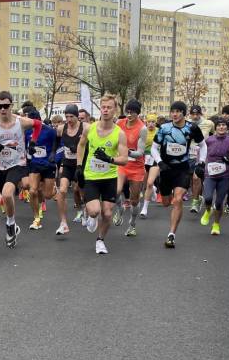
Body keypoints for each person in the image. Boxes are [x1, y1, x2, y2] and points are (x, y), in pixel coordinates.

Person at [0, 90, 42, 248]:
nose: (2, 109)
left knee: (7, 194)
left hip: (18, 163)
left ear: (11, 105)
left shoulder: (21, 122)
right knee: (5, 199)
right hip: (0, 167)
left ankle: (10, 224)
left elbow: (38, 124)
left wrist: (33, 142)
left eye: (5, 106)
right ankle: (12, 224)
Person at [78, 94, 129, 254]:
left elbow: (124, 159)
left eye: (109, 107)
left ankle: (100, 240)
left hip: (109, 177)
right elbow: (81, 145)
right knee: (95, 211)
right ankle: (91, 215)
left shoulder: (119, 133)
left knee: (107, 214)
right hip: (92, 176)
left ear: (115, 110)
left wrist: (109, 159)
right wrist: (79, 166)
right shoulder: (90, 128)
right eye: (103, 107)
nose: (105, 110)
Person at [152, 101, 204, 248]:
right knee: (166, 202)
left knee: (178, 199)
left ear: (184, 113)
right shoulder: (164, 128)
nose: (174, 114)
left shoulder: (192, 128)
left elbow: (203, 145)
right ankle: (163, 192)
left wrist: (201, 162)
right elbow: (154, 148)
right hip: (166, 169)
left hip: (182, 169)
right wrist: (160, 162)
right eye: (172, 111)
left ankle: (171, 234)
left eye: (178, 111)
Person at [198, 119, 229, 235]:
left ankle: (216, 224)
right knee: (207, 198)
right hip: (210, 174)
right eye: (219, 125)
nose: (221, 127)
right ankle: (208, 210)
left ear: (227, 128)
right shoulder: (209, 140)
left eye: (223, 125)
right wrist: (200, 164)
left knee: (219, 202)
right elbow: (201, 153)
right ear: (215, 128)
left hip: (225, 175)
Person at [116, 99, 148, 237]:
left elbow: (140, 152)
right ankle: (120, 209)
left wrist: (127, 152)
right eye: (127, 112)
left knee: (134, 200)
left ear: (138, 113)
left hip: (136, 166)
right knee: (116, 191)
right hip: (122, 165)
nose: (129, 115)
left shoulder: (142, 128)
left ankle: (132, 224)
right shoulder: (119, 123)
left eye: (132, 112)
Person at [55, 103, 85, 235]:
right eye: (66, 116)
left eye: (71, 116)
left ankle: (85, 211)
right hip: (67, 164)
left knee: (80, 191)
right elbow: (56, 141)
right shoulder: (61, 128)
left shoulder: (85, 128)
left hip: (80, 165)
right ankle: (63, 223)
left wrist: (79, 149)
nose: (69, 119)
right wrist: (54, 152)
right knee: (62, 191)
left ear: (77, 116)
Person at [25, 108, 56, 231]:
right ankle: (36, 218)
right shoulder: (27, 132)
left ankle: (54, 190)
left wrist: (54, 154)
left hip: (48, 165)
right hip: (34, 164)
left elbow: (57, 144)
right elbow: (25, 146)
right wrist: (28, 153)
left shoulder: (49, 131)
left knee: (47, 195)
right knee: (33, 191)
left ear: (38, 120)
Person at [187, 104, 213, 213]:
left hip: (203, 154)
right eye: (193, 114)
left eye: (197, 114)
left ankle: (195, 202)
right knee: (192, 180)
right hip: (189, 154)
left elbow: (214, 136)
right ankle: (198, 198)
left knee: (197, 178)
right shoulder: (186, 124)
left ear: (200, 114)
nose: (195, 116)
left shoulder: (209, 123)